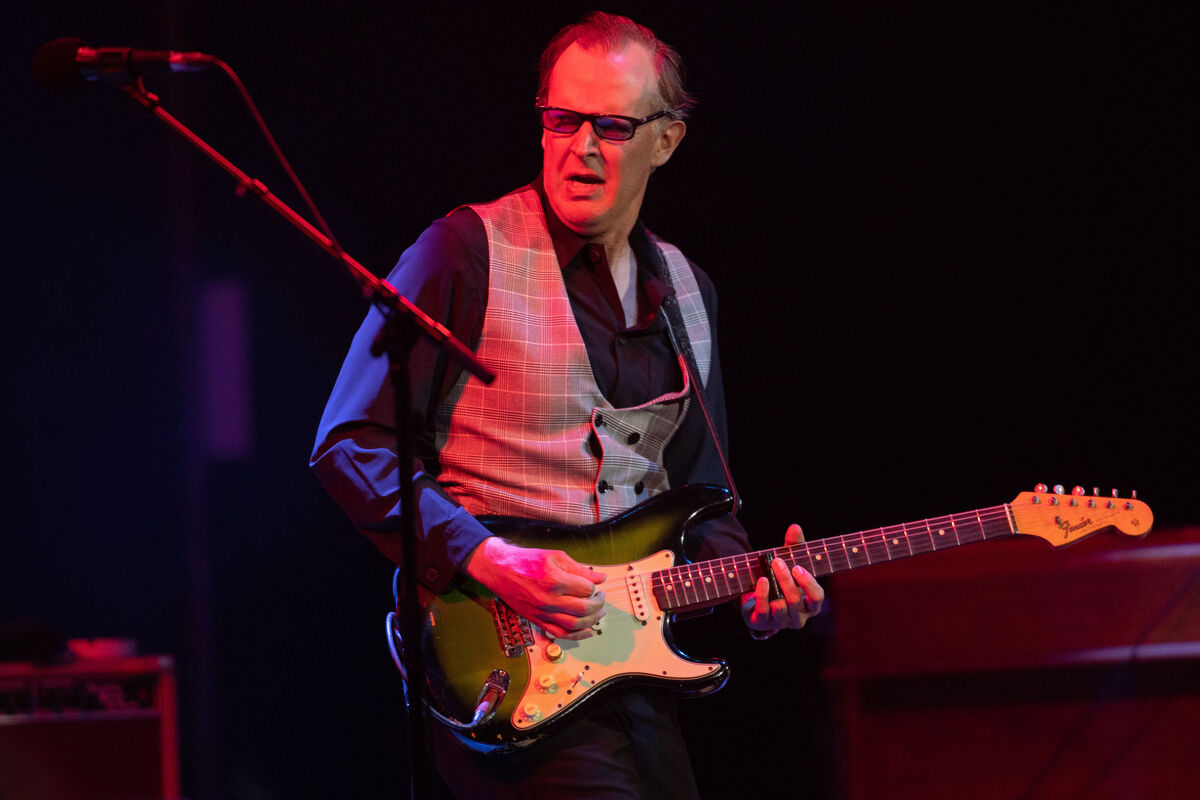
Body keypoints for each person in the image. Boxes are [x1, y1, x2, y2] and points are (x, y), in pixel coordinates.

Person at [311, 11, 824, 799]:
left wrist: (754, 598)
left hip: (632, 674)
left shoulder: (689, 292)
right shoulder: (462, 251)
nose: (580, 146)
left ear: (667, 140)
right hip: (502, 669)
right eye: (561, 119)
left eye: (612, 126)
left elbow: (702, 504)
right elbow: (349, 444)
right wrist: (491, 557)